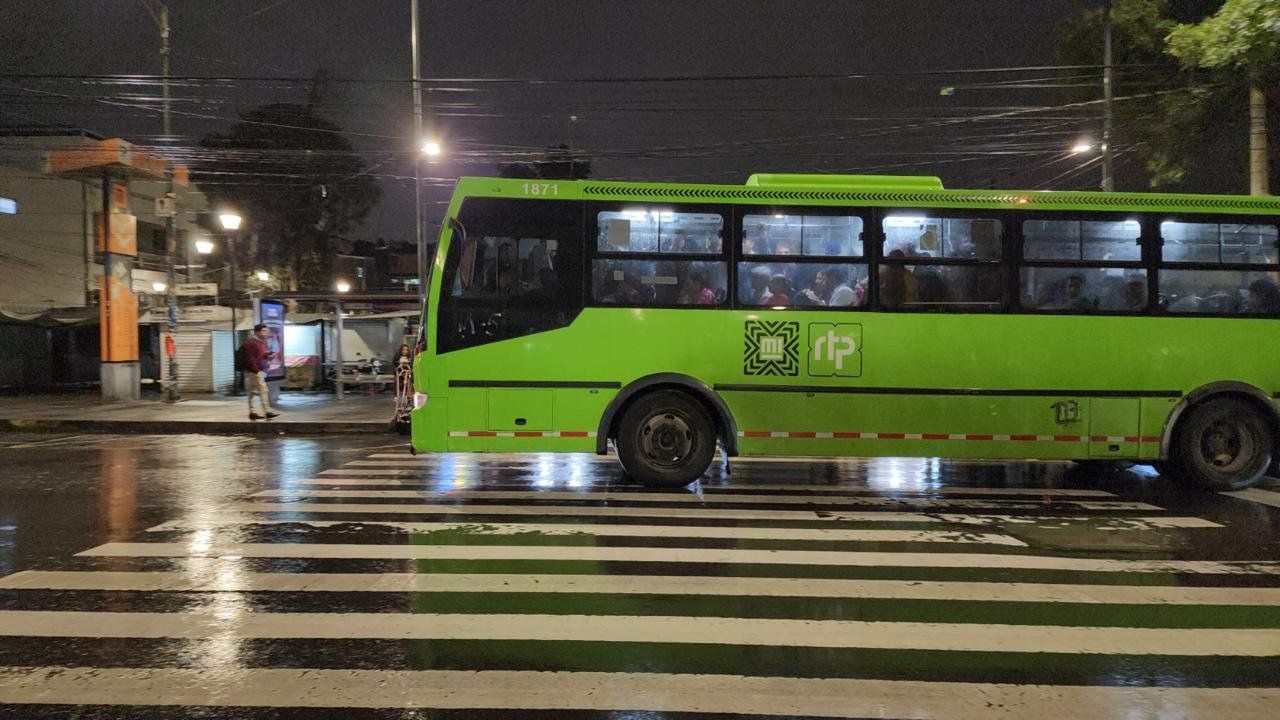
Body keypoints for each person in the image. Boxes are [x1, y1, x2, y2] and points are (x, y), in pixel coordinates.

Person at [240, 323, 278, 421]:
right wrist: (255, 370)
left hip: (256, 370)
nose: (266, 333)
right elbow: (249, 358)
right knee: (263, 390)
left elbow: (260, 355)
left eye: (266, 331)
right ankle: (267, 411)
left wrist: (268, 356)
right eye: (264, 331)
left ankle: (252, 412)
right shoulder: (250, 343)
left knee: (252, 392)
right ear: (257, 332)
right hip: (254, 371)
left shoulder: (261, 342)